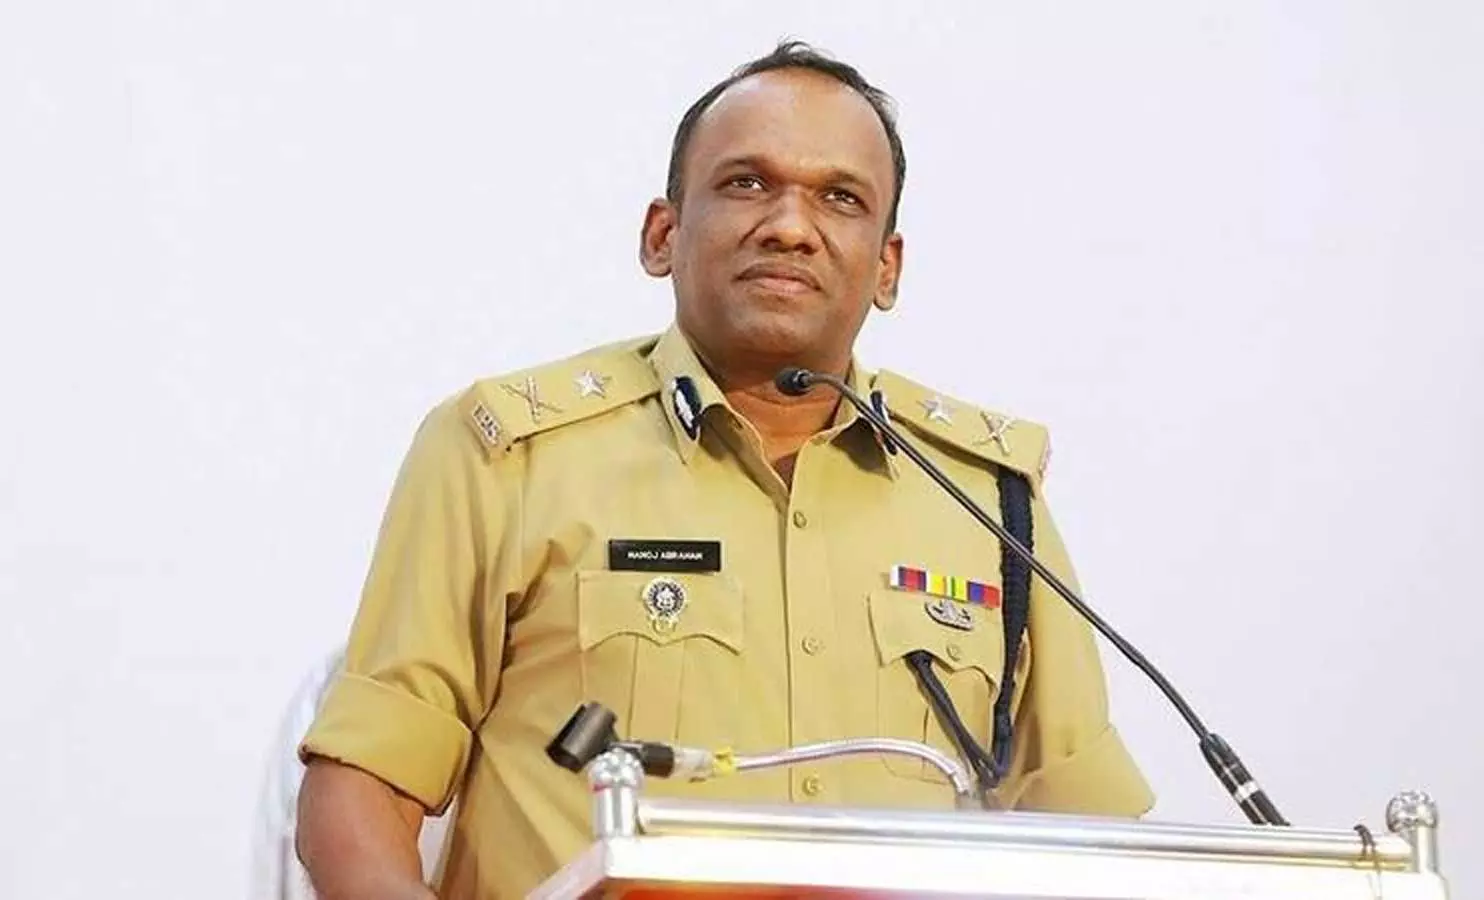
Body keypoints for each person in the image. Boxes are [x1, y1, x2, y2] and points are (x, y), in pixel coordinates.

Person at [295, 40, 1154, 900]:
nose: (790, 227)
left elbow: (1098, 845)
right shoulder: (512, 456)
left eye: (840, 198)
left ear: (887, 267)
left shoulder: (984, 498)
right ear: (662, 234)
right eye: (747, 183)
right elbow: (359, 793)